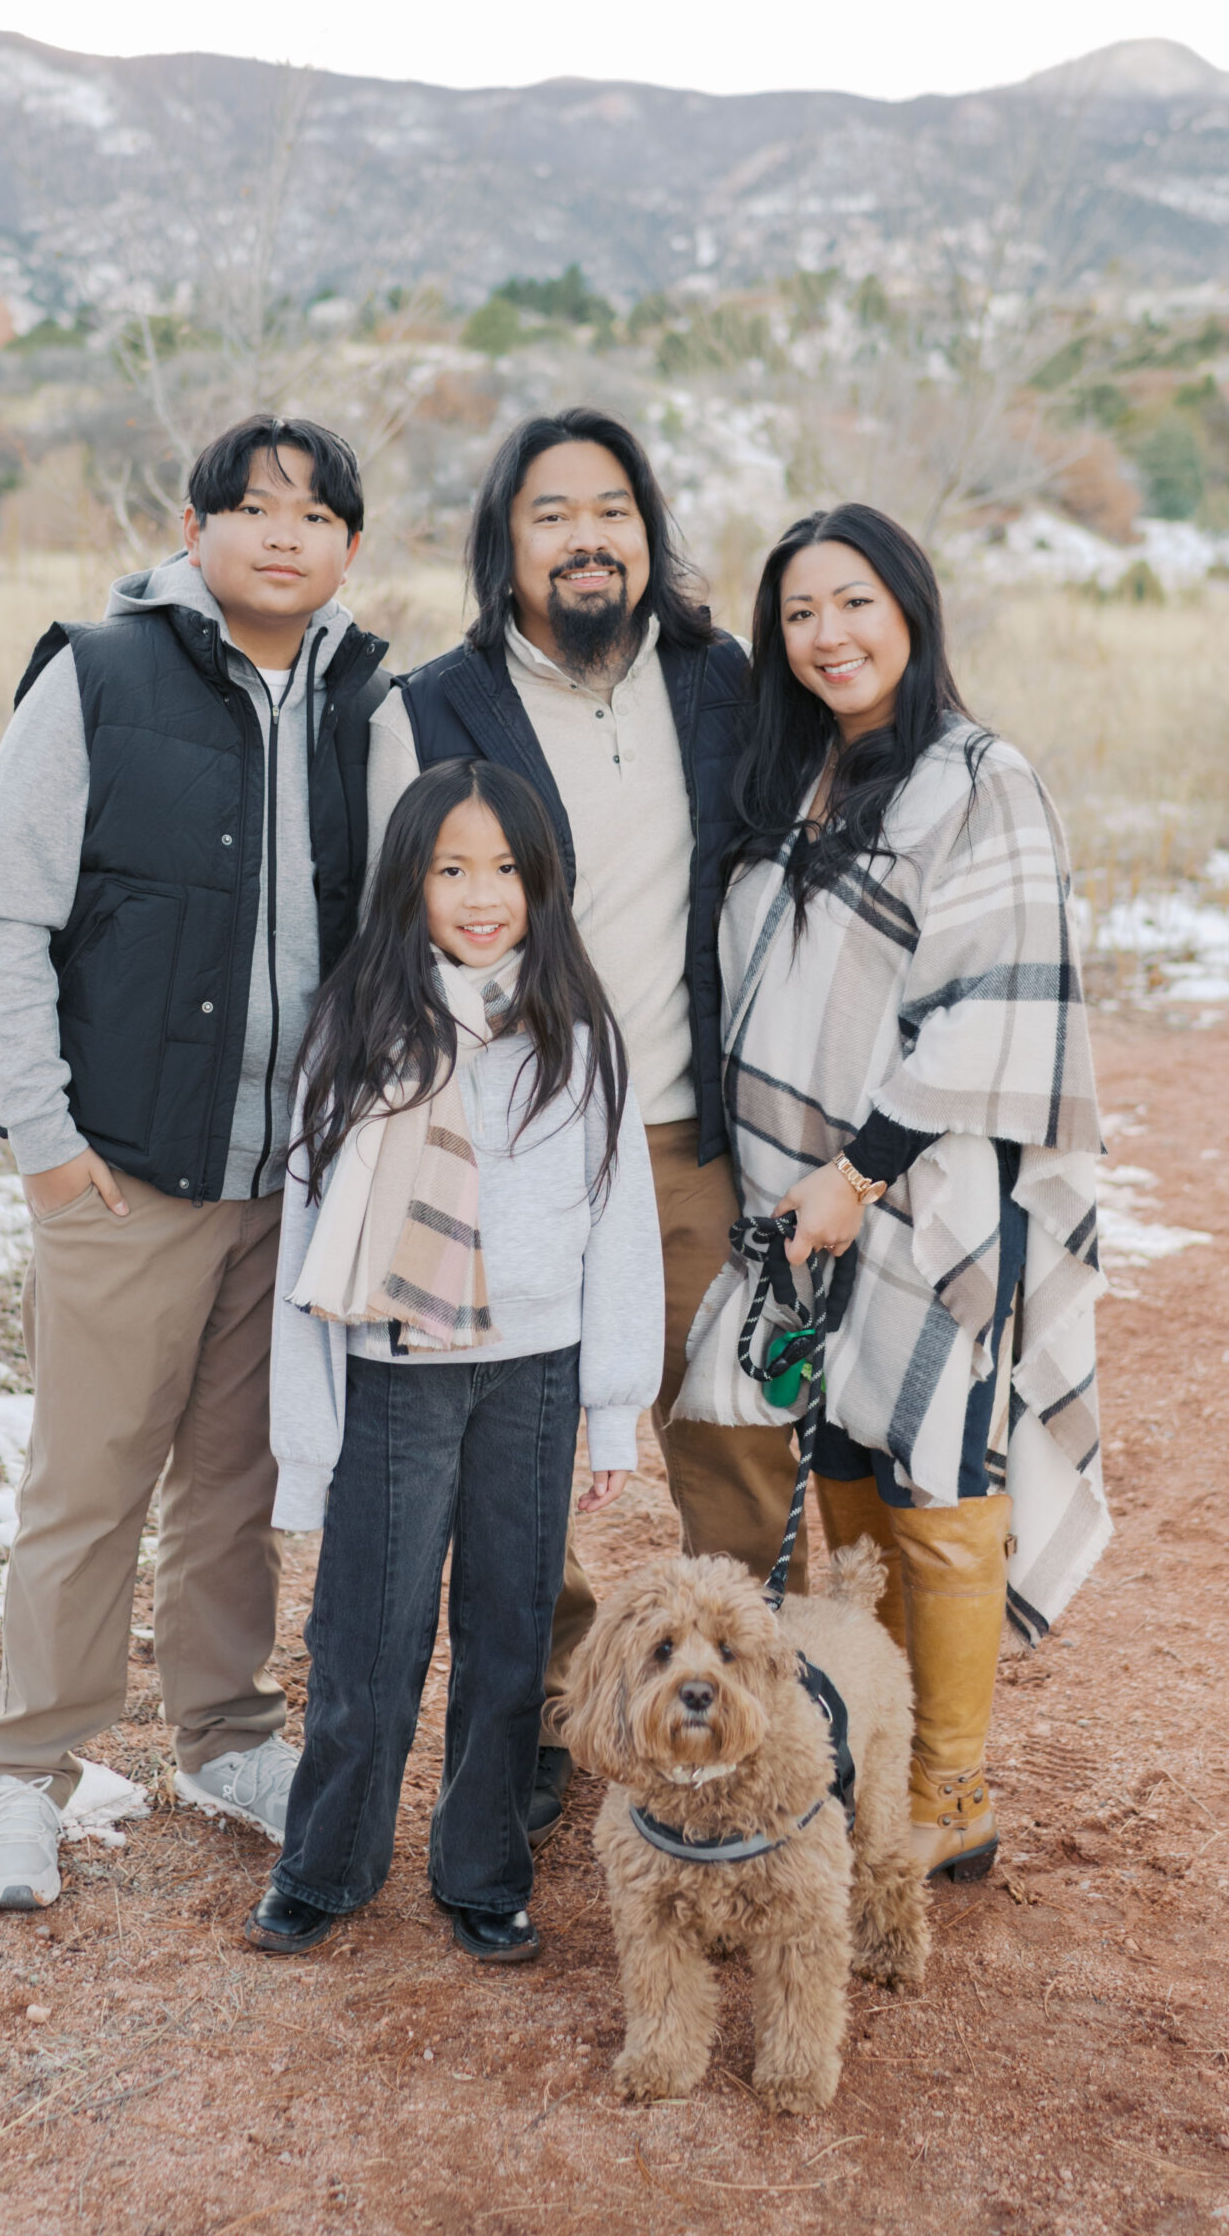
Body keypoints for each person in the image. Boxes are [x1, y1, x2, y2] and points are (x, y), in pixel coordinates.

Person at [0, 414, 390, 1910]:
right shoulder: (99, 673)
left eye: (315, 516)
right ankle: (21, 1770)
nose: (283, 535)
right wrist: (48, 1148)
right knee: (87, 1485)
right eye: (252, 509)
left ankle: (224, 1735)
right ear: (191, 528)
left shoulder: (367, 701)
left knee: (236, 1483)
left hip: (290, 1178)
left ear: (347, 548)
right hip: (125, 1173)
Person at [366, 408, 793, 1853]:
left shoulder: (721, 681)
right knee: (527, 1466)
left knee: (731, 1444)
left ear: (647, 530)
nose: (586, 536)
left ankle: (753, 1732)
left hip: (689, 1131)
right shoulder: (437, 702)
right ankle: (551, 1723)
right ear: (507, 543)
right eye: (552, 513)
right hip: (516, 1148)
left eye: (611, 508)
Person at [676, 503, 1108, 1882]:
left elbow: (993, 1004)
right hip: (803, 1197)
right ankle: (871, 1751)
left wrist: (860, 1171)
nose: (827, 636)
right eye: (799, 614)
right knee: (851, 1451)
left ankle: (951, 1790)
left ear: (908, 609)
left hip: (927, 1191)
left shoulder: (979, 780)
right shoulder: (797, 777)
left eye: (852, 603)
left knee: (943, 1465)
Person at [245, 761, 661, 1962]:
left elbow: (616, 1221)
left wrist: (611, 1411)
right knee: (365, 1637)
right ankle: (326, 1862)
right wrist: (305, 1447)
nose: (481, 896)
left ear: (542, 882)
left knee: (508, 1628)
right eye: (450, 869)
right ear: (409, 882)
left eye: (506, 869)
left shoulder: (577, 1033)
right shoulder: (363, 1026)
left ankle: (481, 1865)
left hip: (531, 1373)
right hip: (396, 1365)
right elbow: (305, 1240)